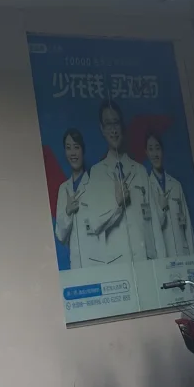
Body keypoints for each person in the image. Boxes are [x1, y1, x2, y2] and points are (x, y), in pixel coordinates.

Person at [84, 101, 156, 267]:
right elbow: (95, 224)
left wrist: (159, 260)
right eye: (108, 124)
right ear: (102, 129)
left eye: (116, 122)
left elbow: (154, 222)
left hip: (146, 260)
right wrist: (117, 204)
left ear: (122, 126)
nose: (113, 129)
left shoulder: (139, 170)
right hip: (117, 264)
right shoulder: (97, 173)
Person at [144, 132, 194, 257]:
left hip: (182, 253)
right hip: (162, 255)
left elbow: (187, 225)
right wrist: (160, 209)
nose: (155, 154)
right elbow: (149, 230)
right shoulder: (146, 188)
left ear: (162, 151)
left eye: (157, 148)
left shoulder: (176, 185)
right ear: (146, 153)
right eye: (151, 149)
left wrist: (193, 256)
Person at [52, 129, 96, 267]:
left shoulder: (94, 183)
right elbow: (60, 236)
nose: (72, 153)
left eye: (76, 147)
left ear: (83, 150)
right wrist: (68, 212)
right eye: (68, 148)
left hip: (97, 260)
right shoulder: (63, 189)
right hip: (76, 263)